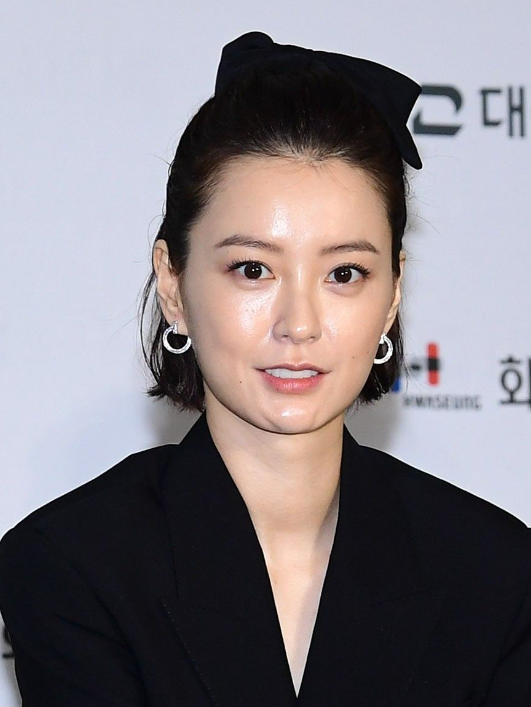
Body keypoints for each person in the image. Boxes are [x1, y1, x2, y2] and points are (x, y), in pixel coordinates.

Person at [0, 30, 530, 707]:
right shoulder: (72, 564)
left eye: (344, 273)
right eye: (253, 269)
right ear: (173, 284)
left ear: (393, 293)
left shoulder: (495, 573)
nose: (298, 323)